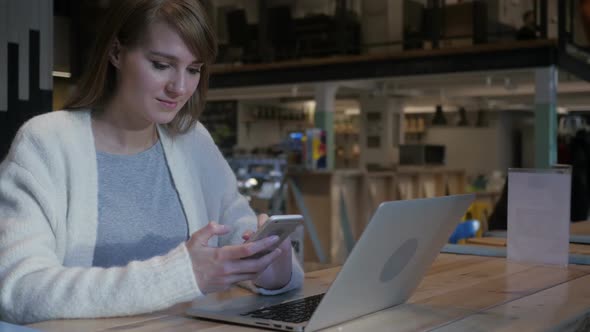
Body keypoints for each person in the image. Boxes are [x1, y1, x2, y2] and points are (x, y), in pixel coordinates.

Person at [0, 0, 303, 324]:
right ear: (116, 53)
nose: (180, 87)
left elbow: (237, 230)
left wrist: (272, 268)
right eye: (161, 64)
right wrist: (179, 275)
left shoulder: (192, 140)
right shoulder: (46, 142)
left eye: (193, 69)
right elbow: (19, 290)